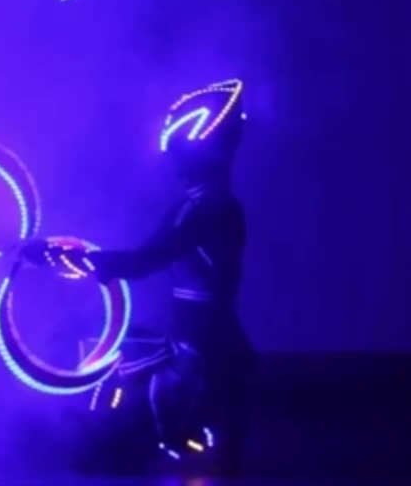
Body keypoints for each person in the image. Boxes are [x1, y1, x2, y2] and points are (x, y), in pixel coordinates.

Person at [19, 80, 255, 477]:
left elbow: (145, 261)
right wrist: (64, 258)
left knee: (185, 451)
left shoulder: (210, 210)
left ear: (207, 153)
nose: (175, 165)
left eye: (181, 155)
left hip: (205, 350)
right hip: (195, 341)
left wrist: (63, 258)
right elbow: (145, 258)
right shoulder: (196, 206)